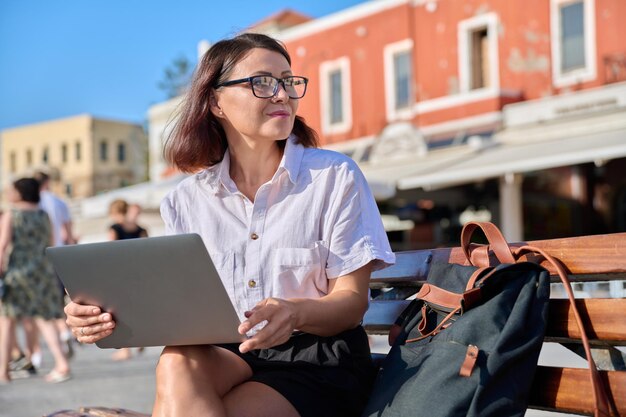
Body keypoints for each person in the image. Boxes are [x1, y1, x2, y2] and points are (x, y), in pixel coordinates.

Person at [64, 33, 394, 416]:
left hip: (316, 358)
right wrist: (105, 316)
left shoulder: (334, 176)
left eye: (289, 82)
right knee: (176, 362)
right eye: (262, 83)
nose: (282, 94)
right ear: (216, 101)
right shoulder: (186, 200)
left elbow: (351, 303)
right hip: (226, 351)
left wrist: (295, 311)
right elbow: (179, 307)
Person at [0, 178, 71, 383]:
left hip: (17, 273)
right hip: (42, 273)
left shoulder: (11, 215)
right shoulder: (43, 215)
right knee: (45, 319)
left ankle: (4, 371)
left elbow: (3, 246)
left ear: (20, 193)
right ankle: (62, 363)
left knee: (7, 322)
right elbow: (50, 243)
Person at [33, 170, 78, 365]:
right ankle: (65, 331)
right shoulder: (60, 202)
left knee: (45, 305)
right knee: (61, 297)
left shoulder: (34, 203)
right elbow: (68, 234)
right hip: (60, 256)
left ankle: (60, 334)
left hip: (41, 258)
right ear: (48, 182)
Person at [107, 199, 148, 361]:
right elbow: (147, 249)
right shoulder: (141, 229)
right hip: (138, 272)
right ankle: (142, 339)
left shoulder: (115, 228)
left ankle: (125, 350)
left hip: (120, 272)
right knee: (138, 307)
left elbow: (109, 250)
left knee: (121, 311)